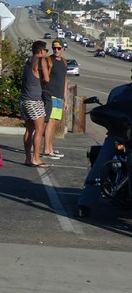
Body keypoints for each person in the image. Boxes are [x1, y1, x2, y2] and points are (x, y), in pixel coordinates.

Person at [76, 69, 132, 218]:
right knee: (101, 164)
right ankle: (85, 203)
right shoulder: (119, 92)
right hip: (119, 136)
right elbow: (109, 113)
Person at [20, 40, 50, 168]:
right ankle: (36, 158)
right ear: (41, 51)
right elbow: (47, 79)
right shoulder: (40, 60)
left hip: (24, 99)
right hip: (34, 100)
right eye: (45, 50)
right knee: (39, 129)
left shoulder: (28, 60)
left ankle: (28, 158)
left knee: (29, 129)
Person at [42, 39, 68, 160]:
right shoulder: (49, 60)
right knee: (50, 122)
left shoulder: (63, 62)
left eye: (59, 48)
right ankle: (46, 150)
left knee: (55, 122)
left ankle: (50, 147)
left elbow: (65, 81)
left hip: (59, 96)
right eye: (54, 48)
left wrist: (65, 99)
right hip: (50, 94)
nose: (56, 50)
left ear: (63, 49)